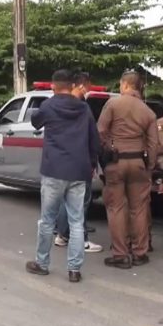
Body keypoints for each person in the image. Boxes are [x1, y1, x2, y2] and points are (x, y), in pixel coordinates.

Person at [25, 70, 101, 283]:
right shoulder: (84, 108)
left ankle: (41, 263)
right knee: (77, 221)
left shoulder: (49, 105)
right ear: (72, 85)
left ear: (53, 86)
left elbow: (35, 122)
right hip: (79, 171)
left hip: (54, 171)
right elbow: (94, 140)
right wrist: (92, 165)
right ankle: (74, 270)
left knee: (47, 220)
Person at [97, 70, 159, 269]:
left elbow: (101, 132)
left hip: (116, 162)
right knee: (139, 208)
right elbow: (153, 144)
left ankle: (120, 254)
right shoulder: (148, 112)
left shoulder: (113, 104)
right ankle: (140, 252)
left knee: (116, 208)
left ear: (124, 85)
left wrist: (108, 152)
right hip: (139, 163)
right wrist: (149, 167)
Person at [54, 71, 103, 253]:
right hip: (80, 161)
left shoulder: (58, 105)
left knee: (66, 200)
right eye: (88, 86)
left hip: (62, 161)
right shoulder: (82, 107)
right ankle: (81, 240)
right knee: (80, 202)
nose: (88, 90)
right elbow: (92, 136)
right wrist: (93, 161)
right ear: (82, 85)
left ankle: (62, 235)